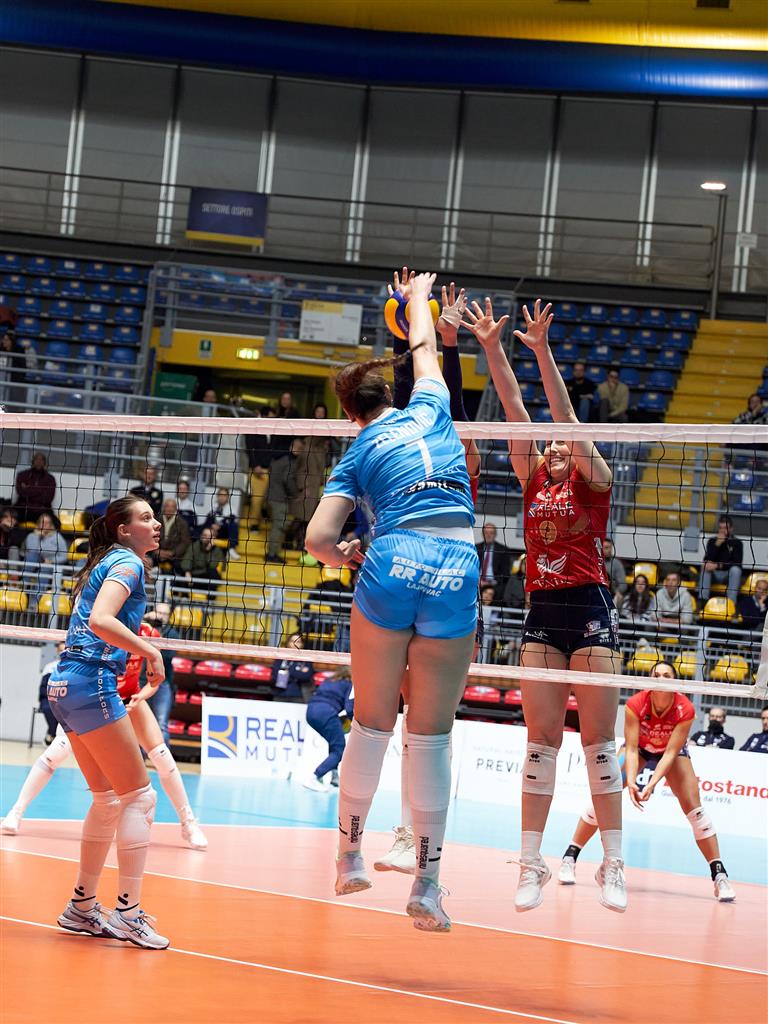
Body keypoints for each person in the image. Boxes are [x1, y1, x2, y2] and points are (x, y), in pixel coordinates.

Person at [305, 269, 479, 932]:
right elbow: (426, 349)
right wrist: (417, 300)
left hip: (393, 560)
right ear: (391, 393)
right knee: (431, 736)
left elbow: (318, 539)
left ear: (351, 413)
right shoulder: (432, 408)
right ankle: (427, 886)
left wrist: (347, 557)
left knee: (373, 723)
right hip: (455, 564)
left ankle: (349, 856)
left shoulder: (355, 453)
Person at [462, 296, 626, 913]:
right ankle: (530, 863)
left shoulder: (594, 480)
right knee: (540, 743)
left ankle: (613, 864)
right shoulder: (533, 478)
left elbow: (563, 416)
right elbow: (514, 409)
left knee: (600, 745)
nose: (553, 444)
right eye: (548, 443)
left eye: (562, 442)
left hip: (590, 610)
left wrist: (543, 350)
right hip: (541, 614)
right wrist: (492, 348)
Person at [374, 276, 481, 876]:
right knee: (404, 718)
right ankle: (406, 835)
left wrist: (445, 339)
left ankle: (420, 843)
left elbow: (446, 399)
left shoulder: (454, 445)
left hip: (448, 584)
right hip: (405, 573)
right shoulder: (411, 441)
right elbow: (413, 394)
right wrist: (405, 328)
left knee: (430, 724)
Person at [43, 494, 170, 948]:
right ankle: (128, 914)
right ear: (123, 529)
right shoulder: (127, 562)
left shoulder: (105, 561)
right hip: (92, 680)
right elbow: (101, 620)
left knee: (108, 800)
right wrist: (150, 650)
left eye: (155, 517)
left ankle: (81, 906)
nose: (157, 524)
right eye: (146, 518)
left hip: (64, 683)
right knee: (140, 797)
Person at [2, 621, 207, 851]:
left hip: (129, 697)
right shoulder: (99, 624)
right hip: (96, 697)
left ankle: (188, 823)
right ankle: (16, 812)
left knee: (162, 755)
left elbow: (156, 679)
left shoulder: (148, 632)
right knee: (57, 751)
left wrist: (141, 696)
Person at [557, 661, 735, 902]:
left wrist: (651, 784)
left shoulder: (685, 709)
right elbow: (631, 749)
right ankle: (569, 858)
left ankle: (719, 876)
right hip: (640, 748)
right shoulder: (636, 703)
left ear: (674, 681)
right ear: (649, 680)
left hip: (670, 752)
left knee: (695, 810)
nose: (661, 679)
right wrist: (631, 781)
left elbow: (670, 754)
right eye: (656, 675)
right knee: (605, 794)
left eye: (666, 675)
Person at [303, 669, 354, 792]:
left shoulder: (328, 680)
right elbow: (349, 708)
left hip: (310, 711)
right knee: (339, 749)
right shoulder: (350, 684)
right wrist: (353, 721)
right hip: (326, 712)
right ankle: (314, 777)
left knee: (334, 744)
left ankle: (334, 777)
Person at [144, 602, 180, 745]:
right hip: (142, 682)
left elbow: (167, 656)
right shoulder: (145, 628)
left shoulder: (172, 633)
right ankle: (141, 755)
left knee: (161, 723)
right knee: (141, 722)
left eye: (165, 614)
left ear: (169, 616)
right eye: (159, 613)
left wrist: (151, 651)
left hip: (163, 683)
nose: (161, 616)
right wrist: (145, 618)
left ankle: (163, 756)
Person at [266, 438, 304, 563]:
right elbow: (287, 479)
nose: (299, 450)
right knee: (279, 527)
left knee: (278, 526)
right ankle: (272, 554)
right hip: (279, 498)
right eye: (297, 447)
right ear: (291, 447)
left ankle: (274, 553)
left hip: (272, 496)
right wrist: (296, 494)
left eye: (301, 449)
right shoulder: (290, 461)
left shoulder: (278, 458)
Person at [22, 511, 68, 599]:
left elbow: (64, 556)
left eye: (47, 523)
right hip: (35, 562)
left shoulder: (58, 537)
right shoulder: (32, 536)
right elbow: (32, 551)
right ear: (38, 523)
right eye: (42, 522)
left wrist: (51, 561)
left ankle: (37, 600)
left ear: (51, 525)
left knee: (45, 568)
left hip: (51, 564)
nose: (44, 525)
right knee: (31, 557)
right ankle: (22, 590)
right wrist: (39, 537)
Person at [699, 516, 743, 608]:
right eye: (720, 528)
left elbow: (737, 562)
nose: (722, 531)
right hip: (714, 574)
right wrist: (717, 545)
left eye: (725, 528)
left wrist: (717, 566)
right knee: (705, 567)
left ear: (731, 529)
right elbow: (707, 559)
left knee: (736, 570)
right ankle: (703, 602)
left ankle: (731, 604)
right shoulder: (712, 541)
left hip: (728, 574)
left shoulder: (737, 543)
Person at [271, 631, 315, 703]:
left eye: (298, 642)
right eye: (292, 641)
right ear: (288, 642)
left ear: (302, 644)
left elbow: (306, 676)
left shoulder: (306, 659)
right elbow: (274, 675)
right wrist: (296, 674)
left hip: (299, 697)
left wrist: (287, 673)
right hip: (279, 695)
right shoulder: (281, 657)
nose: (294, 644)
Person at [15, 452, 56, 522]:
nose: (39, 462)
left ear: (45, 463)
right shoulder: (22, 475)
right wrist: (41, 490)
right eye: (36, 459)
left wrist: (28, 489)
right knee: (9, 518)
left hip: (42, 510)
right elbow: (20, 493)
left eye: (41, 460)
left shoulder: (50, 479)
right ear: (32, 461)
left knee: (56, 523)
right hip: (23, 508)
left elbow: (48, 499)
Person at [476, 522, 511, 604]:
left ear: (495, 535)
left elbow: (505, 573)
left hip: (495, 584)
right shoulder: (476, 548)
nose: (488, 535)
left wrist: (489, 583)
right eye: (486, 533)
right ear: (482, 534)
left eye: (491, 533)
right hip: (477, 583)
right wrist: (478, 580)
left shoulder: (503, 550)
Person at [156, 498, 191, 573]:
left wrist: (172, 553)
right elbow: (149, 537)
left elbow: (185, 542)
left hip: (174, 556)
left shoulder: (182, 523)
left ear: (176, 509)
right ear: (163, 508)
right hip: (157, 553)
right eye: (167, 506)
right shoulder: (156, 520)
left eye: (172, 507)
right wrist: (156, 551)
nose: (169, 509)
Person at [202, 486, 239, 551]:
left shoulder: (232, 510)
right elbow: (207, 522)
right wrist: (212, 526)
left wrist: (220, 526)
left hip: (223, 534)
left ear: (227, 497)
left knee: (233, 525)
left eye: (224, 495)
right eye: (220, 495)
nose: (222, 497)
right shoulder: (212, 508)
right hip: (211, 532)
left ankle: (231, 548)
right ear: (217, 496)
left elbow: (230, 523)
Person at [0, 505, 24, 579]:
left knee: (14, 549)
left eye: (12, 517)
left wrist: (11, 529)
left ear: (16, 521)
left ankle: (13, 581)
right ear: (1, 519)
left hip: (14, 565)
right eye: (6, 517)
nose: (9, 519)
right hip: (1, 563)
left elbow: (15, 543)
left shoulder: (20, 531)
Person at [602, 539, 627, 609]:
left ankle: (615, 615)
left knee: (619, 597)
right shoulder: (594, 562)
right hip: (596, 590)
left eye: (609, 548)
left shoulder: (617, 563)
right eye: (605, 547)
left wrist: (617, 592)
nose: (608, 550)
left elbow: (623, 584)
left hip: (612, 593)